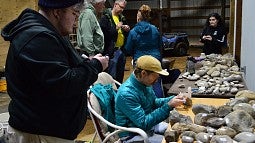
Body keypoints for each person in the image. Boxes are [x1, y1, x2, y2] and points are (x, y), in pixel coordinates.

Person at [1, 0, 109, 142]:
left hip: (48, 132)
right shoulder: (38, 37)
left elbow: (62, 70)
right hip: (40, 135)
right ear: (57, 12)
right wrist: (95, 65)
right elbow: (65, 83)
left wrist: (86, 63)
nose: (76, 19)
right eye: (74, 13)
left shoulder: (49, 32)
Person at [115, 55, 187, 143]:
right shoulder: (126, 94)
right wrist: (168, 106)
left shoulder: (144, 83)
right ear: (143, 73)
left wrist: (172, 99)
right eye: (155, 77)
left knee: (182, 131)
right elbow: (143, 123)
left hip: (147, 127)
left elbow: (154, 102)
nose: (157, 80)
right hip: (132, 134)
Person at [124, 4, 164, 98]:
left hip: (140, 62)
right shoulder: (155, 29)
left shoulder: (133, 32)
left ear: (138, 17)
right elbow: (160, 46)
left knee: (140, 85)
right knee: (156, 82)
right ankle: (159, 103)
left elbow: (128, 49)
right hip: (155, 60)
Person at [99, 0, 130, 83]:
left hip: (121, 50)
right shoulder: (105, 18)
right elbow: (104, 35)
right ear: (115, 5)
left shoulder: (121, 17)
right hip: (111, 52)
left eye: (123, 8)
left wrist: (127, 29)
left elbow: (125, 34)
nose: (122, 10)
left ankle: (118, 93)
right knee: (111, 77)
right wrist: (116, 28)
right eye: (121, 7)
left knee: (120, 76)